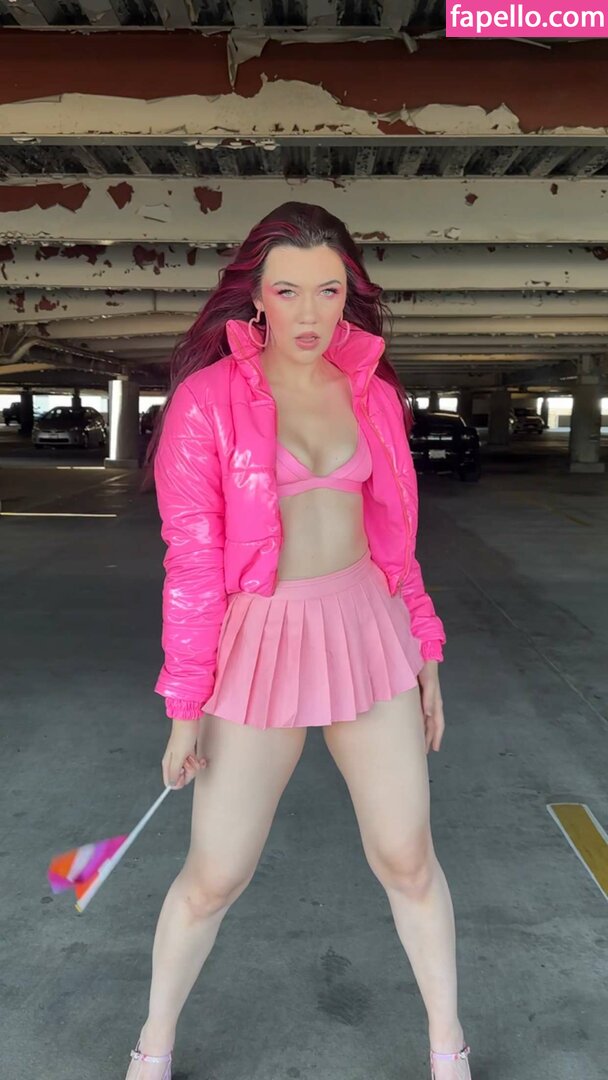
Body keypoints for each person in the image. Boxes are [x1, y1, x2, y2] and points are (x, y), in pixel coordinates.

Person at [125, 202, 473, 1080]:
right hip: (258, 641)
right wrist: (185, 704)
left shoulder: (374, 394)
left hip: (367, 629)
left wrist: (424, 645)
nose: (310, 313)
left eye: (329, 291)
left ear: (349, 295)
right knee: (215, 874)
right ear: (257, 297)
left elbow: (396, 537)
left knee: (408, 858)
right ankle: (151, 1047)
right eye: (289, 291)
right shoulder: (206, 403)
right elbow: (192, 562)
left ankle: (449, 1048)